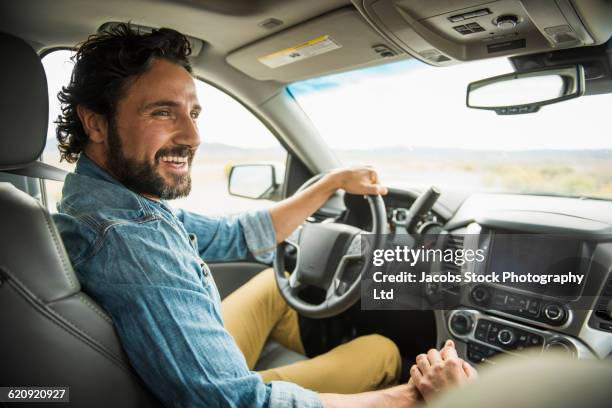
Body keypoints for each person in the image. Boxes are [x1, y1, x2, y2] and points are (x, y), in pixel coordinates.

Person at [52, 23, 476, 407]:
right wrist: (412, 396)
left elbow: (233, 235)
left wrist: (330, 182)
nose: (193, 136)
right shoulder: (131, 237)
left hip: (166, 370)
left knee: (272, 282)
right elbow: (236, 402)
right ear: (96, 123)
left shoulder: (108, 200)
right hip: (196, 396)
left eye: (193, 113)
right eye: (163, 112)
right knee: (380, 351)